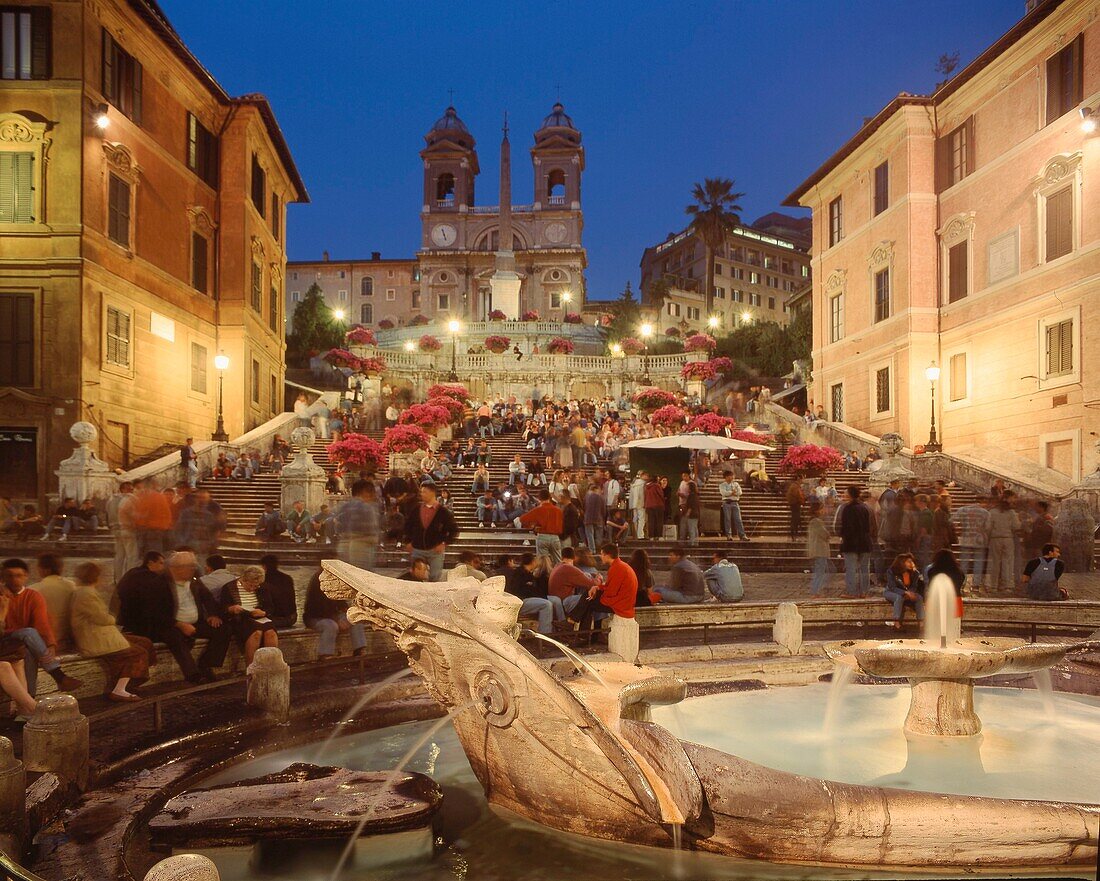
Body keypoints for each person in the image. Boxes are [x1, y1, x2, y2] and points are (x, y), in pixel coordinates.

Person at [131, 551, 229, 684]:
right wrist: (179, 624)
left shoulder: (194, 581)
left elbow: (207, 597)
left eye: (193, 566)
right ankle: (193, 675)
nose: (192, 569)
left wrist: (213, 614)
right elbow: (154, 612)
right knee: (176, 638)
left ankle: (206, 665)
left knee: (223, 629)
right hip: (170, 625)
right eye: (188, 566)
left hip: (194, 623)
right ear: (175, 568)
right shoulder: (159, 584)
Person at [70, 562, 156, 702]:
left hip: (102, 634)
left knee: (144, 642)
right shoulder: (86, 594)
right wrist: (112, 617)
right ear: (96, 577)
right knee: (137, 652)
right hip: (95, 638)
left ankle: (130, 682)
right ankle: (119, 690)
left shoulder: (86, 591)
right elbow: (102, 618)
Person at [1, 558, 83, 698]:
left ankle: (28, 705)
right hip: (4, 639)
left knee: (30, 651)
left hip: (23, 642)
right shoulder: (1, 595)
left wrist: (50, 644)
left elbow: (42, 622)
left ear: (26, 576)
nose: (14, 579)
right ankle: (58, 676)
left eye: (18, 575)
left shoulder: (33, 596)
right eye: (9, 576)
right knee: (29, 632)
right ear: (3, 577)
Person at [586, 544, 639, 662]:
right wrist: (598, 587)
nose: (600, 557)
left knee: (588, 601)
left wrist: (598, 590)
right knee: (590, 599)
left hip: (620, 604)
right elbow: (610, 587)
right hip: (622, 601)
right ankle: (587, 633)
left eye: (601, 554)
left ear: (607, 555)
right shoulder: (620, 566)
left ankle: (578, 628)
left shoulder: (617, 568)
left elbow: (611, 592)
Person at [303, 570, 368, 660]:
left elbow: (341, 602)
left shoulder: (335, 580)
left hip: (332, 616)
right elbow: (317, 609)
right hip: (315, 617)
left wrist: (347, 612)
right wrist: (337, 620)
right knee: (330, 626)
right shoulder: (317, 581)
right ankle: (325, 656)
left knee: (355, 620)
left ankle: (360, 652)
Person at [221, 565, 279, 665]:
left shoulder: (262, 587)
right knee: (256, 633)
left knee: (271, 633)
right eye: (250, 585)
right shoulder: (229, 587)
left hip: (259, 617)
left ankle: (270, 666)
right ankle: (251, 668)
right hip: (241, 618)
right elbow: (223, 608)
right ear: (243, 579)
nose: (252, 589)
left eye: (255, 586)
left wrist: (264, 612)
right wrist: (231, 609)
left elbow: (270, 607)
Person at [401, 483, 458, 582]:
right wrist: (407, 541)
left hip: (435, 551)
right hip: (417, 549)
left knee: (435, 578)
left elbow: (454, 530)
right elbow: (407, 526)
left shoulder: (443, 512)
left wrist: (444, 543)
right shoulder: (416, 509)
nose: (422, 494)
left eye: (424, 492)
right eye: (421, 492)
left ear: (432, 493)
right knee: (415, 578)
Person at [505, 553, 565, 634]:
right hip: (522, 600)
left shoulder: (529, 573)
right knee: (546, 604)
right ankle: (546, 634)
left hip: (532, 597)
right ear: (532, 562)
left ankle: (563, 625)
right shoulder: (519, 573)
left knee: (556, 600)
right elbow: (519, 591)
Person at [31, 553, 75, 652]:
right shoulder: (72, 586)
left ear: (44, 570)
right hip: (69, 639)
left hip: (45, 642)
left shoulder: (34, 590)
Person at [336, 480, 381, 571]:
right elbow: (371, 531)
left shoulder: (344, 507)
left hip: (343, 546)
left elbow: (337, 527)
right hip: (361, 547)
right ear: (365, 492)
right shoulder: (366, 508)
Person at [839, 485, 873, 597]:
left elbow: (847, 528)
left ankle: (852, 591)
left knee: (851, 569)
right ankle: (865, 591)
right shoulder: (865, 507)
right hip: (865, 541)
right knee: (864, 569)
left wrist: (843, 539)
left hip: (851, 543)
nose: (843, 495)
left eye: (845, 493)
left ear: (850, 495)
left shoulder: (848, 509)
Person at [951, 497, 989, 590]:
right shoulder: (985, 513)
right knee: (978, 563)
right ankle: (976, 585)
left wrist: (959, 528)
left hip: (966, 539)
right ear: (983, 502)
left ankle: (962, 583)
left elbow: (952, 521)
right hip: (979, 540)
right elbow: (988, 527)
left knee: (964, 562)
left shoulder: (963, 510)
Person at [985, 496, 1020, 592]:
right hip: (1008, 539)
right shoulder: (1012, 513)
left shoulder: (992, 512)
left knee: (994, 562)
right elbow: (1016, 526)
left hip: (995, 538)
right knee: (1007, 562)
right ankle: (1007, 585)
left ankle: (993, 585)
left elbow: (988, 527)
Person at [519, 490, 564, 564]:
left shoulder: (538, 510)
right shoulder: (558, 510)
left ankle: (544, 574)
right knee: (558, 561)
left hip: (543, 536)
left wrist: (532, 527)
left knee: (543, 562)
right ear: (549, 497)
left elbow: (522, 519)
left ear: (539, 498)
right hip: (555, 537)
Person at [107, 482, 139, 582]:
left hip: (115, 529)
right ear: (123, 489)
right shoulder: (130, 499)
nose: (131, 491)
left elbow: (107, 513)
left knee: (119, 555)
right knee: (131, 556)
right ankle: (130, 579)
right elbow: (134, 515)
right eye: (130, 489)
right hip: (127, 528)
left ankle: (118, 579)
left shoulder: (111, 500)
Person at [884, 554, 925, 629]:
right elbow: (892, 587)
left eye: (912, 561)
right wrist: (905, 593)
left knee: (919, 598)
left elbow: (914, 586)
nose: (911, 563)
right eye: (909, 561)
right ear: (901, 562)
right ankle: (896, 623)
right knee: (899, 598)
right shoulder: (891, 571)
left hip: (908, 592)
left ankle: (921, 622)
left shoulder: (915, 573)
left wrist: (910, 593)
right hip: (891, 592)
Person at [259, 554, 298, 628]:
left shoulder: (263, 580)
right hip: (292, 618)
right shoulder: (287, 578)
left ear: (264, 566)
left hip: (275, 619)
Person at [806, 500, 831, 597]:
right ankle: (815, 591)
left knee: (822, 571)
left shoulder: (815, 521)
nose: (824, 510)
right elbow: (825, 534)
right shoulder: (816, 521)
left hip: (818, 550)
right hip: (820, 550)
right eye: (822, 508)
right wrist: (828, 535)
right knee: (820, 572)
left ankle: (817, 590)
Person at [718, 471, 749, 541]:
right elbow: (724, 493)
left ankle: (742, 535)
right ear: (725, 477)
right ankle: (729, 535)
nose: (731, 477)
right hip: (727, 502)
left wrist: (734, 493)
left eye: (732, 476)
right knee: (727, 519)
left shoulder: (736, 484)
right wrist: (732, 493)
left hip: (735, 502)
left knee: (738, 519)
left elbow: (740, 492)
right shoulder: (722, 485)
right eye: (729, 476)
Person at [583, 484, 606, 552]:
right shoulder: (601, 497)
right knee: (599, 535)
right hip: (598, 518)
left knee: (590, 535)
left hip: (588, 518)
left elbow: (584, 507)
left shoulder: (586, 497)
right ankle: (598, 547)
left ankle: (592, 549)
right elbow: (603, 509)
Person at [643, 474, 665, 541]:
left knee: (651, 522)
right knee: (659, 521)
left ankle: (651, 536)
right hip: (658, 505)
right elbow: (661, 495)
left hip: (649, 505)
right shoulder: (657, 486)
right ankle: (659, 536)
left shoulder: (646, 487)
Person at [628, 470, 647, 540]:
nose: (647, 477)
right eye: (646, 475)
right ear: (642, 475)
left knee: (635, 519)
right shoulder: (643, 484)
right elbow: (643, 495)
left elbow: (631, 495)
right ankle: (640, 535)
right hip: (641, 503)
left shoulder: (634, 483)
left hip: (634, 504)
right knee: (641, 519)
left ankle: (635, 535)